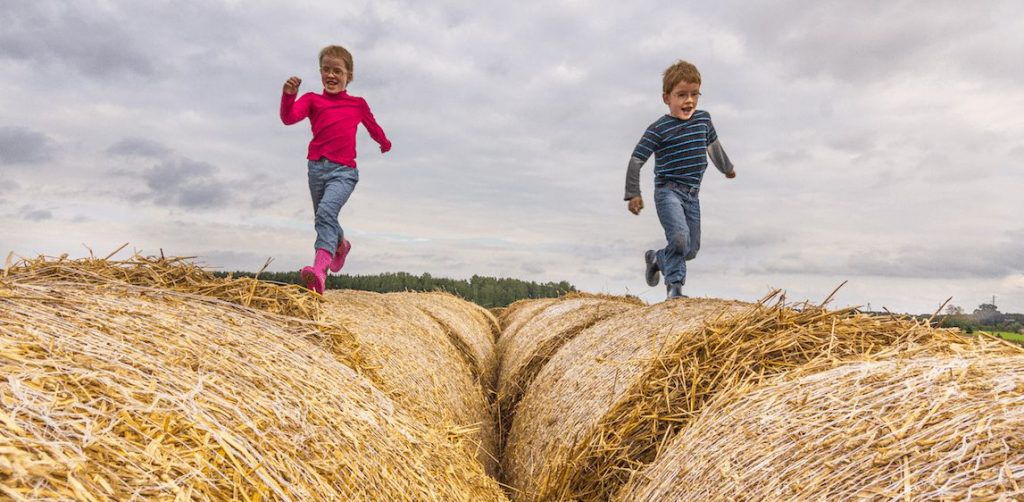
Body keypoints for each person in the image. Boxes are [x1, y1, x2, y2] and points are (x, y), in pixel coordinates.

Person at [280, 45, 391, 294]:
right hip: (316, 168)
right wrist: (289, 95)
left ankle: (320, 270)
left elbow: (373, 126)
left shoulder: (357, 104)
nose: (331, 75)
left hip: (344, 172)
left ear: (348, 75)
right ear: (320, 72)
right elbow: (288, 118)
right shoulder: (311, 100)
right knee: (325, 216)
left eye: (337, 71)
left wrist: (384, 142)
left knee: (325, 214)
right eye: (326, 70)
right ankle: (340, 245)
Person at [624, 60, 736, 300]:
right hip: (668, 192)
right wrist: (633, 192)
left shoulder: (703, 120)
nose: (689, 101)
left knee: (691, 249)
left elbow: (713, 147)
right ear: (667, 98)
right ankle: (674, 289)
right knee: (678, 238)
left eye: (694, 94)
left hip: (692, 195)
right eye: (682, 95)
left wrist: (727, 168)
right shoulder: (658, 129)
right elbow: (636, 160)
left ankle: (657, 258)